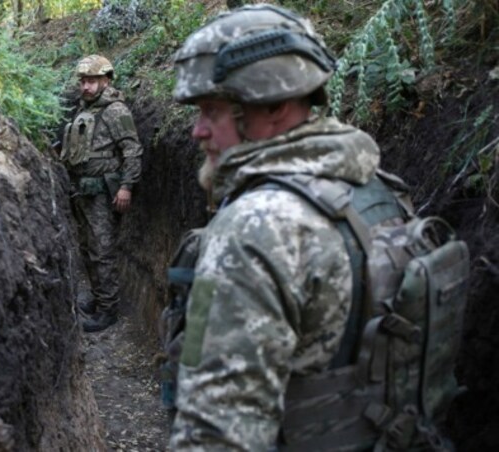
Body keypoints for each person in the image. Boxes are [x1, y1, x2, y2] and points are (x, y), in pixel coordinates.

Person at [168, 4, 420, 450]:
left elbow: (217, 434)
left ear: (276, 105)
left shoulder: (254, 229)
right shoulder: (377, 191)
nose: (197, 131)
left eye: (212, 111)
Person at [60, 55, 142, 333]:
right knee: (87, 248)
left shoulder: (115, 111)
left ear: (106, 80)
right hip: (84, 189)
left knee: (102, 251)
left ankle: (108, 310)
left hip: (104, 193)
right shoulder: (87, 108)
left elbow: (132, 150)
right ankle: (97, 298)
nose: (86, 86)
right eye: (83, 81)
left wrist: (126, 187)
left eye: (92, 81)